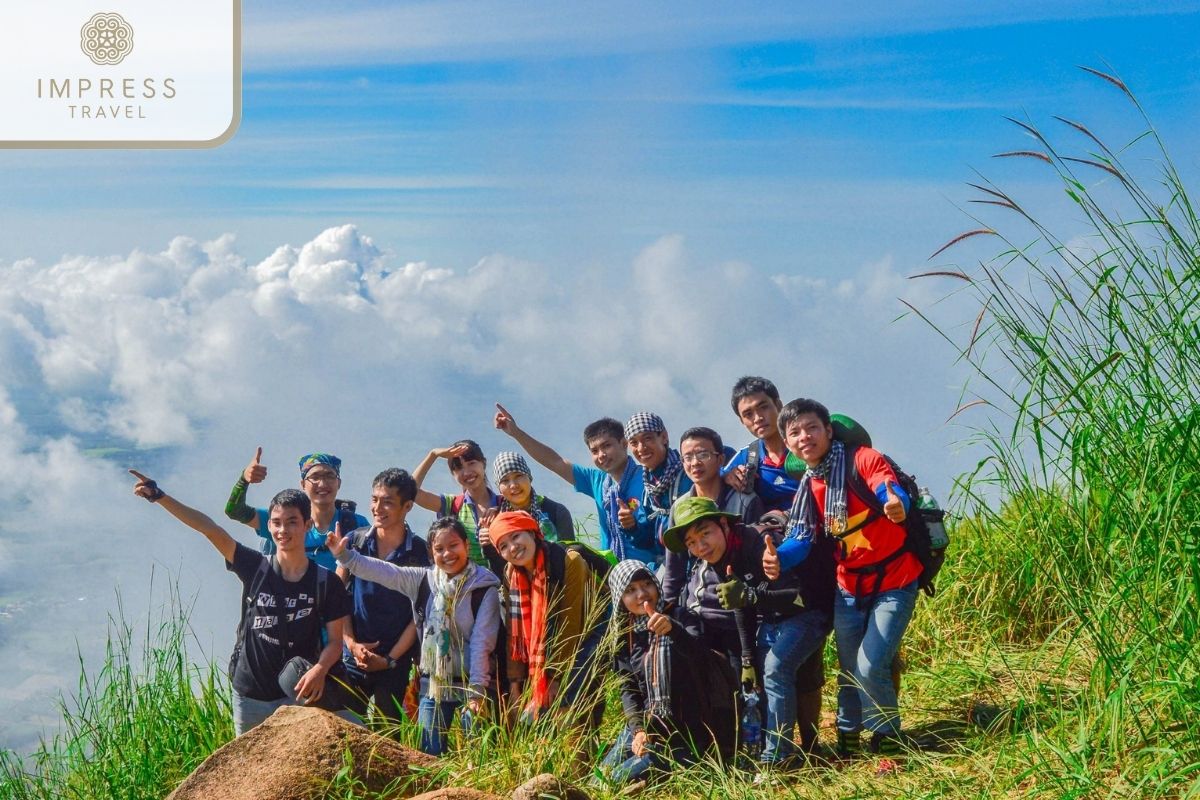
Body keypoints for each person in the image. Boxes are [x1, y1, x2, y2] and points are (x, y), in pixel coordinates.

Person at [129, 470, 351, 735]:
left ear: (307, 525)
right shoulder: (254, 567)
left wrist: (320, 670)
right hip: (250, 694)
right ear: (269, 527)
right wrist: (159, 496)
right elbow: (209, 529)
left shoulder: (326, 583)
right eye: (277, 522)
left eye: (292, 522)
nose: (283, 530)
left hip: (297, 690)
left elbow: (336, 641)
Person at [763, 398, 916, 769]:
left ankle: (888, 739)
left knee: (870, 664)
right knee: (849, 668)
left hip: (895, 579)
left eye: (812, 427)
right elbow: (802, 537)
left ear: (828, 431)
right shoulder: (810, 485)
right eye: (794, 432)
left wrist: (894, 502)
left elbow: (886, 485)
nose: (804, 437)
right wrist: (778, 558)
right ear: (787, 441)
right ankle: (849, 739)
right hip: (849, 587)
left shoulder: (862, 458)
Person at [663, 496, 833, 771]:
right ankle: (773, 749)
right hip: (773, 619)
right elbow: (739, 606)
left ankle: (777, 758)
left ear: (723, 524)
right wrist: (746, 659)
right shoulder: (720, 556)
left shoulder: (758, 542)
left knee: (777, 671)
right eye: (691, 543)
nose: (700, 546)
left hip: (809, 614)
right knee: (761, 681)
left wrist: (752, 597)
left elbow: (801, 597)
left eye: (705, 534)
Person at [328, 517, 502, 755]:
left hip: (472, 684)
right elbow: (386, 572)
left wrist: (477, 694)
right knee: (429, 756)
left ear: (466, 545)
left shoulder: (484, 588)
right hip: (434, 684)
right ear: (431, 553)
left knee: (478, 756)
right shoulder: (424, 580)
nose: (448, 554)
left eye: (453, 545)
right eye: (439, 549)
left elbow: (482, 643)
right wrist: (345, 557)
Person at [721, 376, 828, 756]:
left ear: (778, 403)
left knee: (809, 664)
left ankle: (814, 744)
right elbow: (707, 473)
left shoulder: (804, 443)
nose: (758, 417)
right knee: (784, 663)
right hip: (779, 566)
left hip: (823, 561)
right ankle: (790, 748)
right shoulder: (748, 458)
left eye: (763, 407)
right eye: (748, 413)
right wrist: (727, 476)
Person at [598, 559, 737, 785]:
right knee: (600, 777)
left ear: (656, 584)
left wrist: (674, 631)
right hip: (647, 726)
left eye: (646, 584)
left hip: (685, 734)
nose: (642, 594)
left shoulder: (682, 616)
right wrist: (638, 730)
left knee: (615, 779)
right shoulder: (626, 635)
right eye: (631, 590)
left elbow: (702, 657)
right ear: (620, 599)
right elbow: (628, 688)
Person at [482, 511, 608, 729]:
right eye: (502, 546)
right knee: (530, 710)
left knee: (569, 704)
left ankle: (583, 757)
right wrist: (515, 683)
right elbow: (516, 634)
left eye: (515, 536)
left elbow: (571, 624)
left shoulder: (569, 561)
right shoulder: (512, 574)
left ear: (532, 532)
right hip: (548, 644)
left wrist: (555, 678)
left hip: (590, 630)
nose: (512, 548)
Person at [493, 404, 660, 566]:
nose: (601, 455)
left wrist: (633, 526)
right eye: (594, 451)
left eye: (607, 446)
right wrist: (516, 433)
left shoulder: (648, 479)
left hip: (649, 571)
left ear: (624, 444)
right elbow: (555, 462)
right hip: (613, 574)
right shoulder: (598, 481)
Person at [337, 468, 431, 725]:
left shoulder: (421, 552)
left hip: (395, 661)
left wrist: (389, 659)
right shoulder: (354, 542)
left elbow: (421, 613)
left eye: (387, 502)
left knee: (387, 735)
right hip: (353, 656)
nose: (378, 508)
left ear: (408, 506)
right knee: (346, 729)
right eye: (374, 499)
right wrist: (351, 644)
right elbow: (336, 598)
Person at [224, 449, 369, 571]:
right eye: (315, 477)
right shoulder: (284, 521)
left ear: (339, 483)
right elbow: (235, 510)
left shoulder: (356, 524)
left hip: (340, 604)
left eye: (330, 476)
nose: (323, 483)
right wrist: (244, 479)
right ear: (303, 484)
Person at [623, 412, 693, 601]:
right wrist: (632, 526)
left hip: (696, 562)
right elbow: (648, 541)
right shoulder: (647, 487)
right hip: (668, 567)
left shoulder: (688, 470)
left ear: (664, 437)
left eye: (647, 438)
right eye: (634, 443)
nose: (641, 447)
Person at [411, 440, 499, 566]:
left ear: (483, 463)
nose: (467, 472)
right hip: (465, 583)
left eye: (471, 463)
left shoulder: (505, 504)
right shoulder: (452, 505)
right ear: (453, 474)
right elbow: (412, 492)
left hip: (504, 583)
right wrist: (433, 454)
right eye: (459, 468)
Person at [669, 426, 763, 526]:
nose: (695, 463)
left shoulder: (744, 501)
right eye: (688, 457)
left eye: (703, 455)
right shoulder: (678, 507)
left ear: (721, 459)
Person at [490, 451, 574, 542]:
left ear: (529, 477)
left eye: (518, 476)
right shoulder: (495, 518)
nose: (513, 485)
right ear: (499, 488)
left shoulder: (557, 511)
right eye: (505, 480)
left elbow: (568, 550)